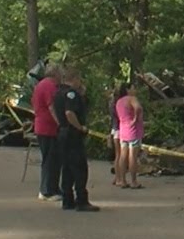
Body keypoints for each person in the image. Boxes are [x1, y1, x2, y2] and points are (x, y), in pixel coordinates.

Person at [53, 68, 100, 212]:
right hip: (72, 134)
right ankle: (81, 200)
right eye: (79, 80)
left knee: (67, 167)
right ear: (74, 79)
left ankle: (67, 199)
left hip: (62, 132)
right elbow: (69, 112)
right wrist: (80, 127)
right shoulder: (71, 94)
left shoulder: (58, 93)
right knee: (79, 167)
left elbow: (57, 112)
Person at [30, 63, 62, 201]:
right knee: (51, 160)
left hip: (42, 127)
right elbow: (51, 107)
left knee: (51, 159)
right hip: (48, 128)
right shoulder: (49, 86)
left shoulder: (40, 85)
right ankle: (47, 190)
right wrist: (60, 123)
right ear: (55, 74)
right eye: (60, 74)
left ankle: (51, 187)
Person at [114, 84, 145, 188]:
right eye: (133, 87)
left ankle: (122, 180)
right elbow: (138, 108)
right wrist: (136, 119)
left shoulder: (118, 102)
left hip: (123, 130)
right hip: (133, 131)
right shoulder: (132, 99)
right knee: (133, 156)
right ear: (127, 90)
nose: (135, 90)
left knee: (123, 156)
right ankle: (133, 181)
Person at [110, 83, 128, 186]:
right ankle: (120, 178)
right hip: (120, 129)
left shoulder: (112, 102)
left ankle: (117, 177)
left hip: (114, 128)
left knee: (117, 154)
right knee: (121, 155)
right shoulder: (120, 103)